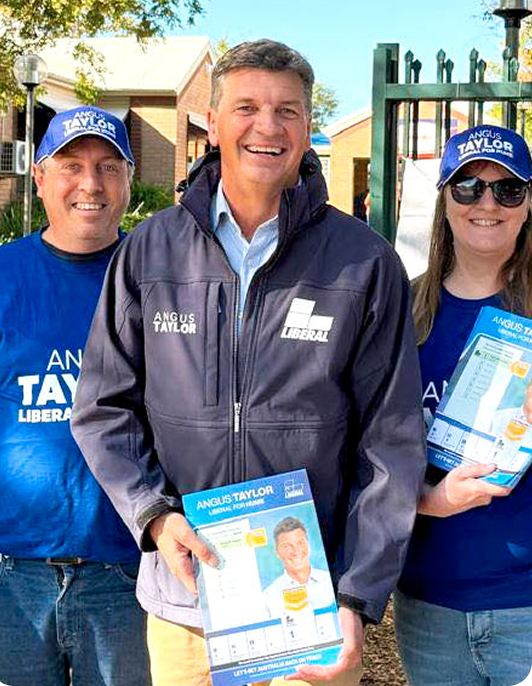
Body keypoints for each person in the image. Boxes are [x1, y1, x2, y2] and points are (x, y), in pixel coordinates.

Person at [71, 39, 426, 686]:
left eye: (287, 110)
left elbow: (391, 440)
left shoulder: (365, 263)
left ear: (307, 126)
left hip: (309, 610)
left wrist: (356, 594)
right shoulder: (150, 251)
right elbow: (101, 408)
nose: (268, 126)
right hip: (186, 604)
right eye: (247, 108)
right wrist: (154, 514)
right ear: (213, 123)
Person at [0, 106, 150, 686]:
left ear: (128, 181)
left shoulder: (158, 279)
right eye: (71, 166)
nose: (91, 183)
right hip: (9, 573)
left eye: (109, 167)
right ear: (38, 177)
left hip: (128, 568)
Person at [394, 124, 532, 686]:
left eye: (508, 190)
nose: (487, 204)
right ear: (445, 200)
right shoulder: (399, 310)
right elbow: (360, 446)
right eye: (468, 186)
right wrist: (428, 502)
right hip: (431, 604)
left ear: (528, 206)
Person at [263, 517, 334, 619]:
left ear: (308, 545)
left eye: (300, 543)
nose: (295, 551)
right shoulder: (268, 597)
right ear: (277, 552)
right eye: (287, 546)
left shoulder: (330, 581)